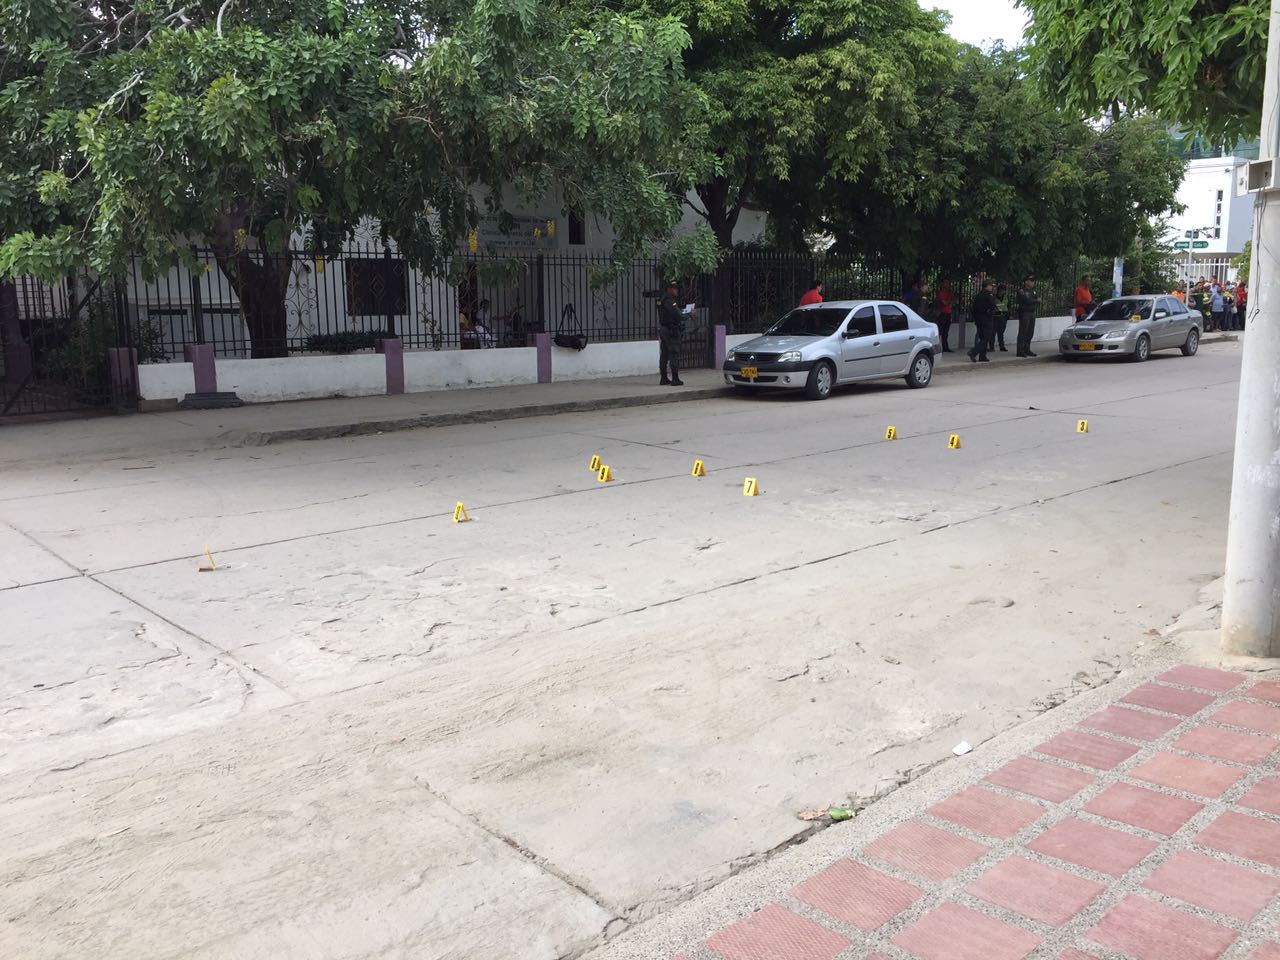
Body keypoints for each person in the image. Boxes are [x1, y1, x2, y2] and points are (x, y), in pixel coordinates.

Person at [657, 279, 685, 386]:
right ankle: (675, 378)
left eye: (676, 288)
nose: (676, 290)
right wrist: (689, 314)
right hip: (671, 330)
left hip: (664, 329)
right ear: (668, 289)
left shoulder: (661, 299)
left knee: (664, 354)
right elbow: (678, 315)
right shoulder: (669, 300)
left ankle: (663, 378)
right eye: (674, 288)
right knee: (674, 353)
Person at [968, 280, 997, 363]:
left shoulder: (978, 295)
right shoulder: (988, 295)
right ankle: (973, 352)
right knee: (986, 338)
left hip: (978, 319)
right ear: (987, 286)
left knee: (982, 338)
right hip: (987, 319)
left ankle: (982, 356)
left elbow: (973, 308)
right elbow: (993, 305)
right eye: (991, 286)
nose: (992, 287)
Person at [1015, 275, 1040, 357]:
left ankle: (1027, 349)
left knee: (1030, 332)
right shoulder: (1021, 291)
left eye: (1033, 281)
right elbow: (1027, 300)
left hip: (1032, 313)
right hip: (1025, 313)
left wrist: (1035, 300)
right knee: (1023, 332)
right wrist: (1035, 300)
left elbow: (1037, 299)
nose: (1033, 282)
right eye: (1031, 281)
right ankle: (1020, 351)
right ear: (1026, 282)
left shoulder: (1033, 291)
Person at [934, 278, 956, 352]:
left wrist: (949, 303)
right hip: (942, 313)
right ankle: (937, 347)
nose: (947, 285)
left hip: (948, 313)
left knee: (946, 332)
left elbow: (953, 301)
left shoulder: (950, 293)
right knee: (940, 331)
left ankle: (945, 347)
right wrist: (949, 302)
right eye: (946, 283)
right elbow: (944, 303)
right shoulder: (940, 293)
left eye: (948, 283)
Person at [994, 282, 1010, 351]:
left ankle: (1002, 346)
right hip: (995, 316)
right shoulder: (993, 297)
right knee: (992, 332)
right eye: (1000, 290)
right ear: (998, 290)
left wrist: (1007, 315)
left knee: (1001, 333)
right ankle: (991, 346)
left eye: (1003, 290)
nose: (1002, 291)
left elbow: (1008, 306)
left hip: (1003, 317)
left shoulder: (1006, 297)